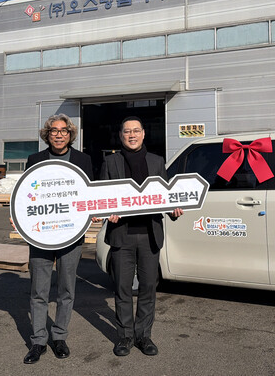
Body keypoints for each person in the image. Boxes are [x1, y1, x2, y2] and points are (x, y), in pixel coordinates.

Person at [100, 116, 183, 357]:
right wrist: (107, 212)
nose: (132, 135)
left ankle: (144, 336)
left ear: (144, 134)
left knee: (148, 287)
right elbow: (102, 195)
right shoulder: (110, 162)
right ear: (121, 135)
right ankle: (125, 336)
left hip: (149, 235)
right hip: (121, 235)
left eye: (136, 131)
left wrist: (174, 209)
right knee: (122, 288)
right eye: (127, 131)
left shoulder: (157, 162)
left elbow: (166, 196)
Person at [21, 113, 93, 364]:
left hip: (71, 234)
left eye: (64, 131)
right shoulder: (35, 160)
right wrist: (19, 216)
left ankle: (60, 337)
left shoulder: (83, 160)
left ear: (70, 134)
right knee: (38, 290)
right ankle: (38, 340)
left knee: (66, 289)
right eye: (54, 130)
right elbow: (26, 195)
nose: (59, 135)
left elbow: (89, 194)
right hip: (40, 234)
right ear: (47, 134)